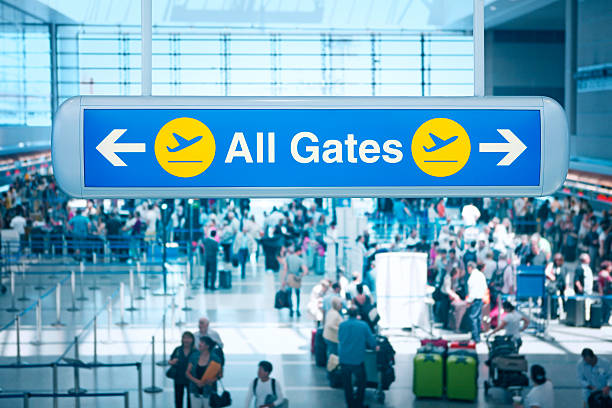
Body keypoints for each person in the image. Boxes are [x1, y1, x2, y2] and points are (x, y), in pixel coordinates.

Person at [338, 306, 378, 408]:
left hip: (344, 359)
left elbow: (340, 338)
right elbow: (371, 340)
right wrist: (375, 347)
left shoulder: (342, 325)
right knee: (361, 383)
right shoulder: (363, 325)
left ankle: (350, 404)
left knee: (347, 384)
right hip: (357, 360)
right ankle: (358, 404)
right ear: (357, 314)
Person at [186, 336, 223, 408]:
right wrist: (197, 381)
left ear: (207, 346)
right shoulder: (194, 356)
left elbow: (220, 374)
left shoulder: (215, 358)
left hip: (209, 391)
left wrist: (212, 380)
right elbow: (187, 372)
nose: (199, 344)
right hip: (194, 390)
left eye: (202, 342)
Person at [169, 331, 197, 408]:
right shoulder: (177, 350)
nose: (186, 340)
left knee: (190, 400)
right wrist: (172, 362)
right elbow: (171, 360)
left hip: (191, 379)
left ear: (192, 340)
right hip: (178, 378)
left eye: (188, 338)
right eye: (184, 338)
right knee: (178, 399)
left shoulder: (195, 351)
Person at [281, 244, 308, 318]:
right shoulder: (300, 260)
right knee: (297, 294)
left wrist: (283, 280)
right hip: (296, 278)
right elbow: (305, 271)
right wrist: (301, 275)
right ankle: (298, 310)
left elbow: (285, 269)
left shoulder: (288, 258)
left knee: (289, 294)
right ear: (299, 251)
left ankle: (291, 310)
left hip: (289, 277)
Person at [466, 261, 487, 342]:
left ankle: (475, 337)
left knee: (473, 317)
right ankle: (477, 335)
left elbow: (472, 290)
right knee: (478, 317)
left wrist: (469, 300)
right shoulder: (481, 275)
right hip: (480, 298)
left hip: (475, 299)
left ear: (470, 267)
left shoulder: (473, 277)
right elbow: (485, 287)